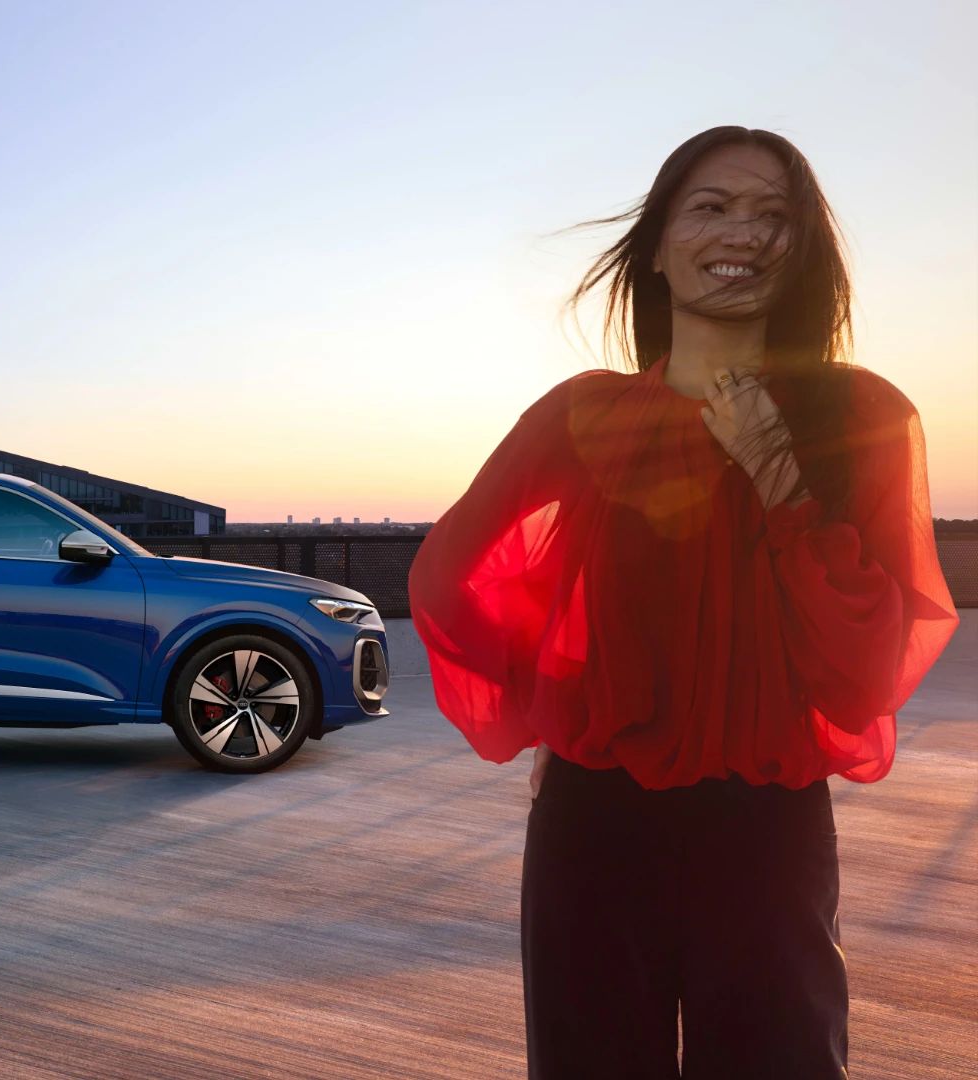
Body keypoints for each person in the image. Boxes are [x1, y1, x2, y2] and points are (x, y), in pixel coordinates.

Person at [407, 126, 959, 1079]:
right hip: (594, 822)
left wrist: (776, 469)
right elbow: (450, 580)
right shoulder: (586, 415)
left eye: (774, 215)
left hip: (767, 830)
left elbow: (868, 669)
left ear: (804, 252)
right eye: (711, 206)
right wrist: (557, 710)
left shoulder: (863, 418)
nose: (743, 231)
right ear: (658, 247)